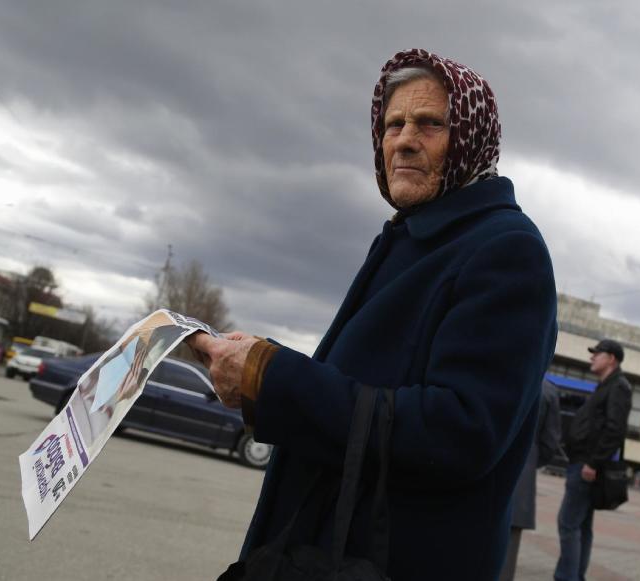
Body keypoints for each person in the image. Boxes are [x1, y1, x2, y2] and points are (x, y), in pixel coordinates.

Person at [187, 48, 558, 581]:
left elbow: (459, 432)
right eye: (393, 124)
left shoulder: (506, 250)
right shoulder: (413, 238)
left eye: (430, 124)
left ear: (473, 138)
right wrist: (257, 365)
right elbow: (362, 386)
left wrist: (274, 379)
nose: (404, 139)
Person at [554, 339, 631, 581]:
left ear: (611, 359)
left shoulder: (618, 386)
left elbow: (614, 429)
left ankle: (566, 578)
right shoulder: (607, 385)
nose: (592, 357)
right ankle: (575, 576)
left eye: (597, 353)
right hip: (583, 462)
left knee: (568, 524)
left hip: (586, 465)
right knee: (581, 526)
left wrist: (593, 462)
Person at [499, 379, 561, 581]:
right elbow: (550, 441)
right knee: (510, 537)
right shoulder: (549, 390)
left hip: (488, 460)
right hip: (523, 467)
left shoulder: (507, 370)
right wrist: (532, 459)